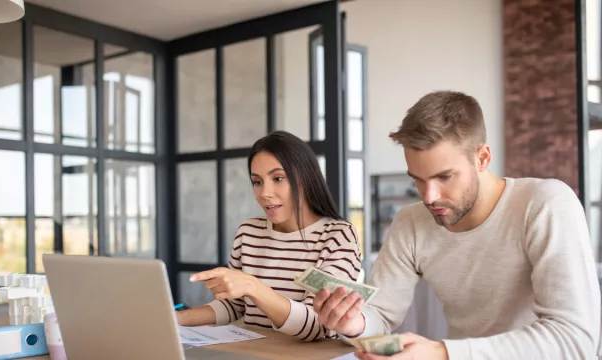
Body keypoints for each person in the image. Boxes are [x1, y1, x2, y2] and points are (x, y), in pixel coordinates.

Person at [313, 91, 602, 359]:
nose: (429, 196)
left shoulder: (545, 204)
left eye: (444, 177)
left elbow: (575, 340)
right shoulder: (411, 224)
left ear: (482, 158)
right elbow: (380, 317)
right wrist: (355, 323)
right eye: (418, 179)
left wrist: (443, 353)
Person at [176, 130, 362, 342]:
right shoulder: (249, 232)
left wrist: (253, 286)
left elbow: (316, 325)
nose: (265, 193)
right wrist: (178, 318)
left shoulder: (338, 236)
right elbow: (235, 305)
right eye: (257, 182)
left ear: (306, 179)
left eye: (278, 178)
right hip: (255, 355)